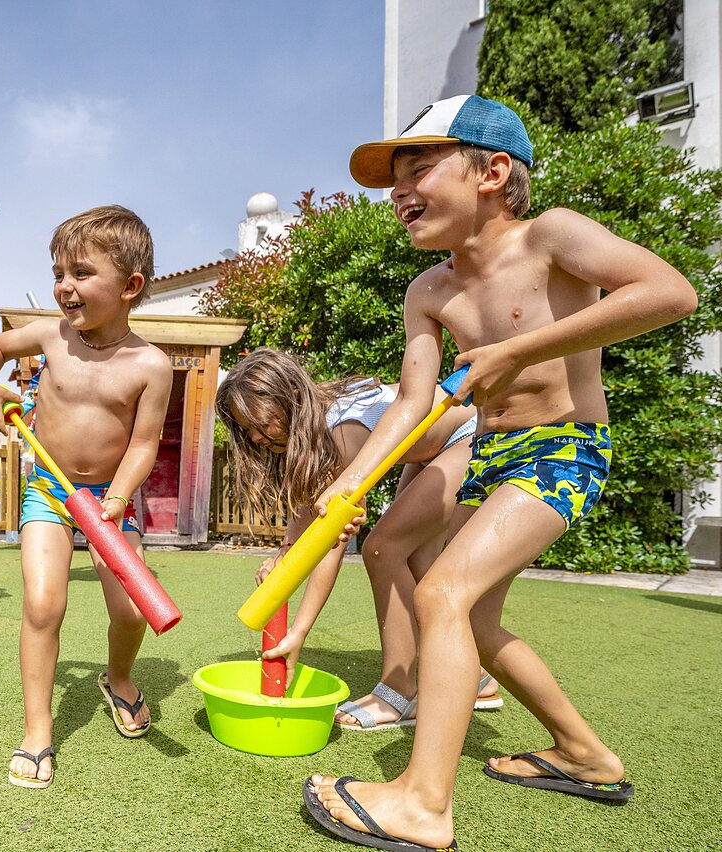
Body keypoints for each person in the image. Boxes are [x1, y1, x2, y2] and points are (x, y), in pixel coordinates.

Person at [303, 95, 697, 852]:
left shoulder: (551, 236)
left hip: (564, 447)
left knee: (442, 593)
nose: (399, 192)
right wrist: (351, 480)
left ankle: (423, 805)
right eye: (395, 179)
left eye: (419, 168)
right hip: (489, 455)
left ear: (491, 172)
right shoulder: (428, 291)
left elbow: (669, 293)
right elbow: (412, 401)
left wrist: (516, 351)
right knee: (473, 622)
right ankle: (584, 753)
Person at [0, 205, 173, 789]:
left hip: (111, 500)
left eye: (81, 273)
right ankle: (38, 730)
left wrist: (119, 496)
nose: (64, 285)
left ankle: (119, 677)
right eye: (59, 272)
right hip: (49, 491)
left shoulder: (151, 365)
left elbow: (144, 444)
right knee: (43, 605)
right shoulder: (50, 336)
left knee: (130, 610)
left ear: (130, 286)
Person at [215, 348, 504, 731]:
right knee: (417, 562)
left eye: (263, 423)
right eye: (247, 429)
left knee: (384, 549)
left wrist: (300, 631)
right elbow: (310, 508)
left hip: (469, 437)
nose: (256, 437)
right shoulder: (316, 423)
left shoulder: (343, 433)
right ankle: (479, 678)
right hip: (430, 449)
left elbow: (331, 542)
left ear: (292, 397)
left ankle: (399, 689)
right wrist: (284, 554)